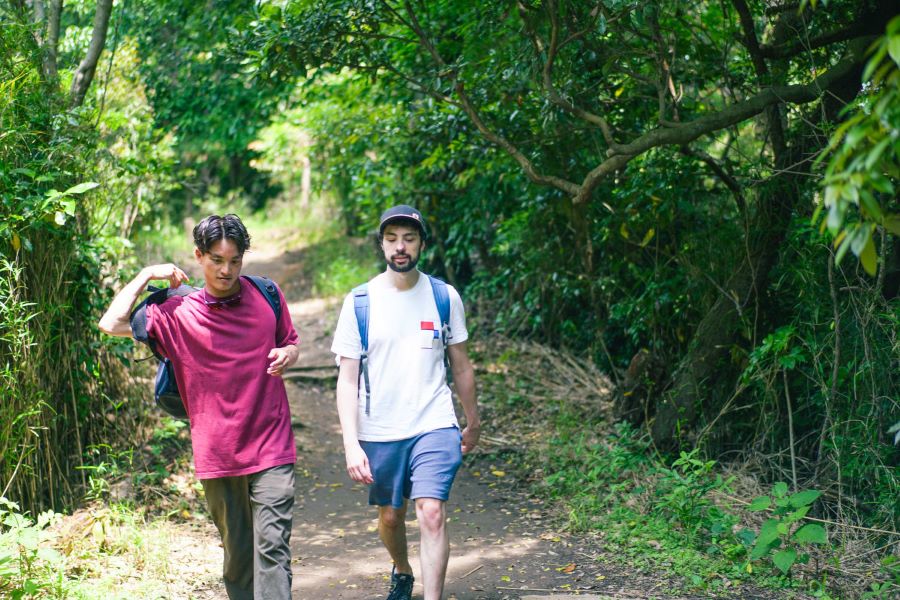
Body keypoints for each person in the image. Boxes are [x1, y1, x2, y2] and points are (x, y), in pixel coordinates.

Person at [98, 214, 299, 600]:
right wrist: (145, 275)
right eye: (217, 260)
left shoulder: (266, 295)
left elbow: (289, 340)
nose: (227, 270)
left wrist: (288, 354)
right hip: (218, 453)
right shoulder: (175, 313)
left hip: (272, 445)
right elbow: (110, 322)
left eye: (235, 261)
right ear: (199, 256)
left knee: (273, 549)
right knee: (239, 559)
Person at [331, 205, 481, 600]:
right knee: (391, 516)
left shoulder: (444, 297)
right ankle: (401, 568)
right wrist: (350, 443)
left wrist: (473, 419)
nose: (401, 247)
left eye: (409, 239)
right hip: (379, 428)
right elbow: (346, 379)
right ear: (381, 244)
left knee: (431, 512)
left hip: (434, 422)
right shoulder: (360, 302)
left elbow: (461, 366)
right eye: (392, 239)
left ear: (422, 245)